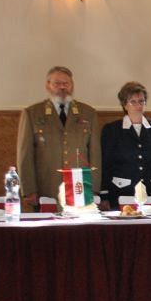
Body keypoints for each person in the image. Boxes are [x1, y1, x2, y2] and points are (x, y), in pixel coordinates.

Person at [16, 66, 101, 209]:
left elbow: (95, 154)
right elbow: (25, 155)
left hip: (79, 188)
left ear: (72, 85)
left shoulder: (88, 113)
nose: (62, 87)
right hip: (46, 188)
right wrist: (29, 189)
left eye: (66, 83)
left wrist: (94, 188)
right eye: (57, 83)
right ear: (48, 86)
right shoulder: (32, 113)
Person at [100, 81, 151, 209]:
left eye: (141, 101)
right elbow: (106, 163)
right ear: (124, 105)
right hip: (121, 192)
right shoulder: (112, 130)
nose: (138, 105)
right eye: (133, 101)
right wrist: (104, 194)